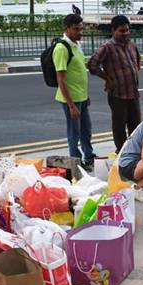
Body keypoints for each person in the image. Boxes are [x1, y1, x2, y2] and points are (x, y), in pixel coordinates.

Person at [88, 15, 142, 153]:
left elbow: (138, 61)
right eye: (121, 31)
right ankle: (122, 153)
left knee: (136, 126)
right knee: (119, 127)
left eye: (127, 30)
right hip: (118, 95)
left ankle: (135, 151)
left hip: (133, 93)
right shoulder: (107, 47)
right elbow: (92, 65)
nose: (125, 33)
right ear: (113, 30)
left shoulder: (131, 45)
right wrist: (107, 78)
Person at [54, 14, 95, 170]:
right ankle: (76, 163)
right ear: (67, 29)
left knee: (86, 130)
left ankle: (89, 157)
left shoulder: (76, 45)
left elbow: (78, 73)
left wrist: (85, 96)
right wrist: (71, 106)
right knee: (74, 133)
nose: (80, 32)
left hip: (81, 97)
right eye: (76, 29)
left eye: (81, 29)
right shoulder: (61, 48)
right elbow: (61, 79)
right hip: (70, 100)